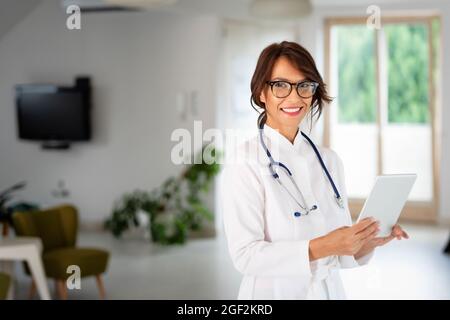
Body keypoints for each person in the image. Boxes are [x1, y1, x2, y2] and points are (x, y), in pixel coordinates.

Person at [221, 41, 409, 300]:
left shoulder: (329, 161)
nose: (294, 97)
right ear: (261, 93)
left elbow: (339, 254)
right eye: (280, 85)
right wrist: (323, 246)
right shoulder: (244, 162)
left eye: (304, 85)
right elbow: (246, 256)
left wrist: (366, 241)